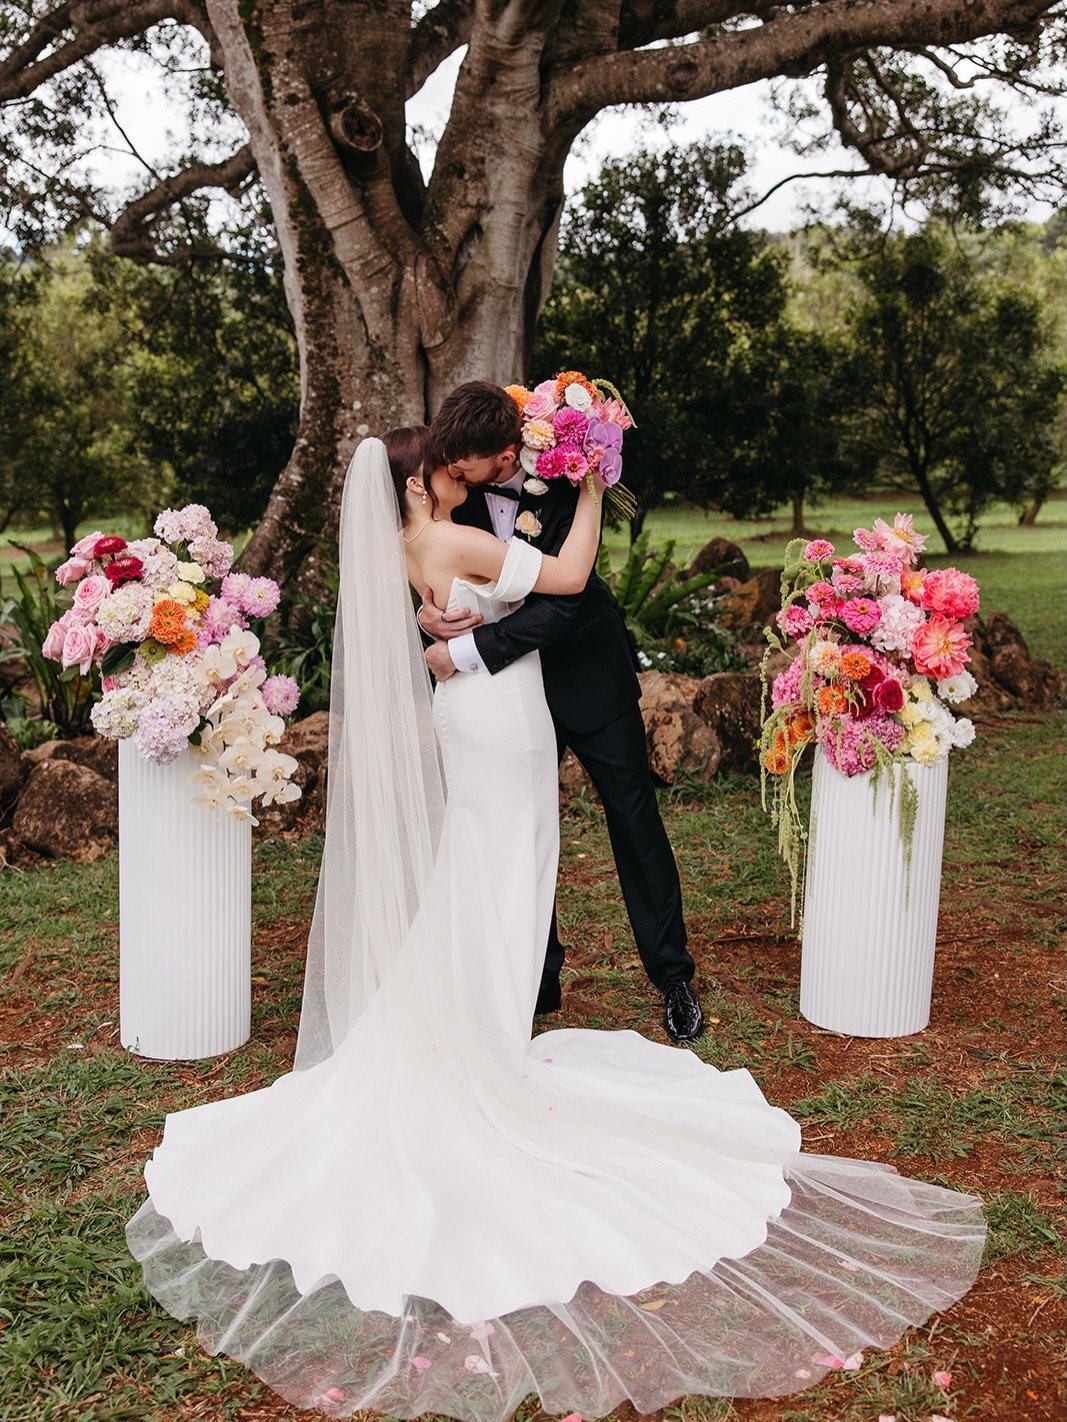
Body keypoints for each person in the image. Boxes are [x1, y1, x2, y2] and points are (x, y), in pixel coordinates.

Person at [126, 427, 984, 1422]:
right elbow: (567, 575)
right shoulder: (455, 534)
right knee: (500, 871)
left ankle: (503, 1019)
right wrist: (589, 488)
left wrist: (457, 634)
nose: (484, 469)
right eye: (464, 461)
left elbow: (474, 617)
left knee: (484, 874)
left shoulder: (417, 543)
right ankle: (485, 1043)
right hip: (498, 720)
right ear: (426, 475)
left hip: (497, 704)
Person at [419, 381, 703, 1044]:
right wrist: (427, 615)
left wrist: (468, 651)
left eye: (473, 461)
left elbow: (565, 601)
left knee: (633, 819)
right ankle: (534, 979)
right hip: (503, 702)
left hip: (586, 676)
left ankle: (672, 976)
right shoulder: (450, 489)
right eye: (453, 461)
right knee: (516, 825)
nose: (456, 472)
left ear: (510, 449)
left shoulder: (571, 477)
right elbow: (436, 571)